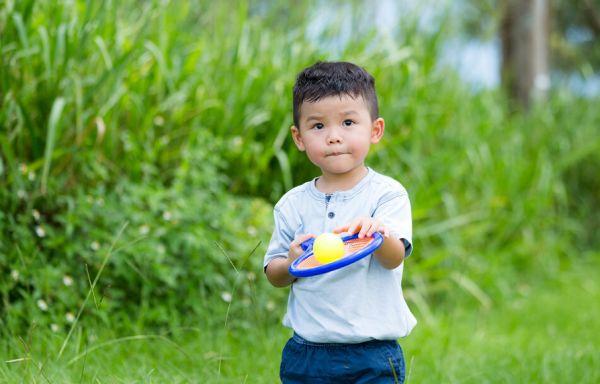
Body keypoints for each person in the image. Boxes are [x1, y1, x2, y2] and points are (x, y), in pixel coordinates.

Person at [264, 61, 416, 383]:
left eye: (348, 122)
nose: (333, 137)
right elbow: (274, 274)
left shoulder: (386, 195)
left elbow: (394, 258)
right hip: (307, 354)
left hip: (371, 353)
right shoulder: (292, 205)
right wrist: (291, 261)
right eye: (318, 126)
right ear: (299, 137)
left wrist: (379, 235)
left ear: (375, 130)